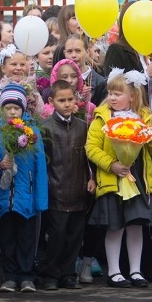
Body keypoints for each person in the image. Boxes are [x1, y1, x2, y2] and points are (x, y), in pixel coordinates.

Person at [85, 70, 152, 288]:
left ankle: (136, 270)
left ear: (133, 97)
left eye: (118, 94)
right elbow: (91, 148)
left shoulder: (144, 117)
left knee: (136, 225)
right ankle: (115, 271)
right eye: (110, 93)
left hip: (137, 179)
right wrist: (112, 165)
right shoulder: (102, 117)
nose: (112, 97)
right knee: (115, 226)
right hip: (114, 179)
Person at [0, 84, 48, 293]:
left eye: (16, 108)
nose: (12, 112)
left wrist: (40, 199)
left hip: (26, 195)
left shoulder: (32, 132)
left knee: (27, 237)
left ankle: (26, 275)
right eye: (8, 107)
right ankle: (10, 275)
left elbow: (39, 166)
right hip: (4, 196)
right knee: (7, 236)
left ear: (23, 109)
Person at [40, 80, 94, 291]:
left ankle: (68, 274)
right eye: (62, 100)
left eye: (70, 99)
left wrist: (91, 179)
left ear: (77, 100)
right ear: (51, 101)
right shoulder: (46, 128)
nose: (67, 104)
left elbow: (89, 158)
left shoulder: (83, 127)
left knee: (74, 237)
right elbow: (43, 163)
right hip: (56, 190)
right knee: (56, 236)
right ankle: (51, 274)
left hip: (79, 190)